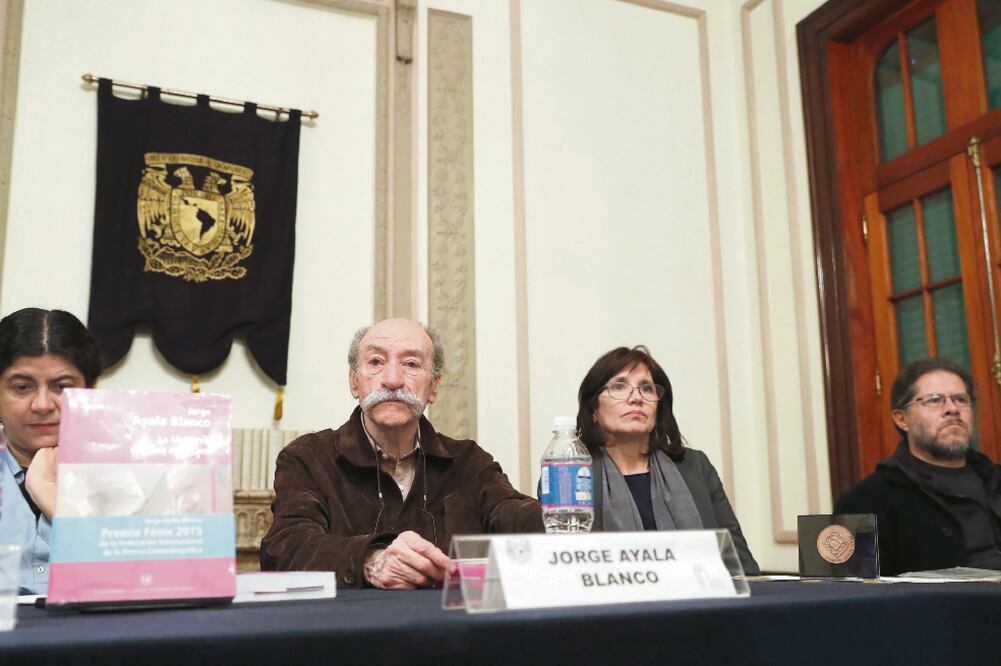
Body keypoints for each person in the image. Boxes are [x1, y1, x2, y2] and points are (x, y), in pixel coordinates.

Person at [261, 318, 543, 589]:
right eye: (376, 362)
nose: (393, 380)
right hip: (349, 632)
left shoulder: (470, 462)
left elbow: (515, 515)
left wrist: (567, 520)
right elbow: (286, 549)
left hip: (452, 630)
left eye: (410, 364)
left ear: (433, 386)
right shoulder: (308, 458)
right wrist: (370, 561)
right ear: (354, 382)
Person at [576, 345, 759, 574]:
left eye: (647, 388)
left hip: (702, 605)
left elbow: (740, 562)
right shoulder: (571, 476)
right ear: (593, 409)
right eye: (619, 386)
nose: (636, 398)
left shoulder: (695, 466)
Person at [835, 358, 1001, 575]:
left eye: (961, 399)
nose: (952, 409)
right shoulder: (861, 502)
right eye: (934, 400)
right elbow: (838, 598)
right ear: (901, 419)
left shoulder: (995, 479)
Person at [0, 308, 102, 594]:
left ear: (90, 390)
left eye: (61, 387)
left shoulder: (130, 473)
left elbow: (146, 579)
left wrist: (58, 505)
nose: (43, 404)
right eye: (22, 387)